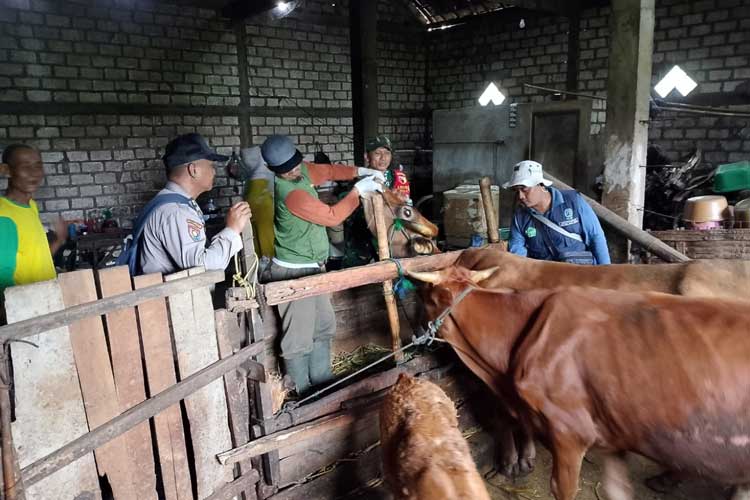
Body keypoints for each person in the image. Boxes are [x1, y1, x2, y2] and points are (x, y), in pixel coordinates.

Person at [260, 134, 384, 395]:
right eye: (287, 169)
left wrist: (362, 171)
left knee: (324, 325)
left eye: (295, 164)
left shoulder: (301, 171)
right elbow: (332, 217)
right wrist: (358, 191)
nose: (295, 170)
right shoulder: (290, 193)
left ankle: (322, 380)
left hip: (314, 267)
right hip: (293, 272)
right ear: (275, 171)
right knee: (298, 335)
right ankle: (301, 391)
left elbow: (328, 170)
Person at [134, 133, 252, 275]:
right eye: (210, 165)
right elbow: (201, 268)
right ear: (193, 170)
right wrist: (232, 229)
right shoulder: (176, 212)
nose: (214, 172)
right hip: (173, 295)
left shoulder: (171, 203)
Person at [505, 160, 610, 265]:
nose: (520, 196)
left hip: (580, 273)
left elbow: (595, 236)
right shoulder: (520, 217)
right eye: (516, 191)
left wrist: (606, 271)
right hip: (545, 275)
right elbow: (517, 252)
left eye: (524, 189)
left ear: (541, 185)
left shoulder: (573, 202)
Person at [0, 144, 68, 297]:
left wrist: (58, 240)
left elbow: (36, 262)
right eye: (25, 166)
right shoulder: (3, 216)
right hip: (26, 309)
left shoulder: (31, 206)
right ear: (6, 170)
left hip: (46, 300)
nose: (34, 173)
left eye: (38, 166)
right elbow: (2, 280)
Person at [365, 135, 411, 204]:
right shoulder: (360, 178)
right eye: (377, 153)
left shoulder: (399, 177)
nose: (383, 158)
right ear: (367, 157)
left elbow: (407, 205)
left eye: (387, 153)